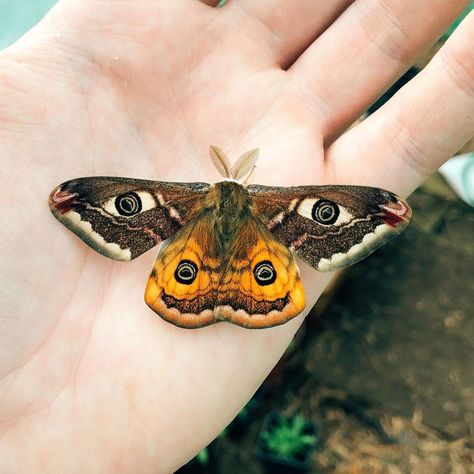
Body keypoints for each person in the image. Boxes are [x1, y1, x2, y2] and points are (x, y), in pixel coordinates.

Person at [0, 0, 472, 471]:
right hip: (253, 247)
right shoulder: (274, 205)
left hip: (193, 247)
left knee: (189, 265)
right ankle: (245, 285)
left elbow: (373, 212)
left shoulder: (178, 198)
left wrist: (376, 212)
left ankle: (201, 281)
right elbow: (79, 200)